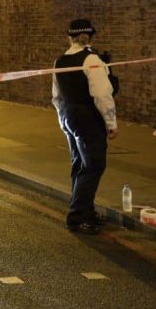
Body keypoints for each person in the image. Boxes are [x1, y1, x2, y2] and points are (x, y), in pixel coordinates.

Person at [52, 19, 118, 235]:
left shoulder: (59, 61)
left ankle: (86, 212)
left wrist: (63, 118)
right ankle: (77, 216)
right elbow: (102, 95)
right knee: (93, 166)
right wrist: (111, 123)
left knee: (79, 164)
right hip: (87, 118)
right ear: (90, 37)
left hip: (68, 115)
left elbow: (56, 96)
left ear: (70, 37)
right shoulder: (91, 59)